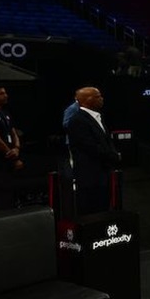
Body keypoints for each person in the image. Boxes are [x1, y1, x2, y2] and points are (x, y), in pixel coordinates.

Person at [66, 86, 121, 216]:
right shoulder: (77, 120)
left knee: (103, 209)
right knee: (91, 212)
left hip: (103, 173)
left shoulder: (97, 117)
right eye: (98, 96)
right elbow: (91, 147)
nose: (101, 99)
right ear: (86, 100)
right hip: (90, 178)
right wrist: (113, 156)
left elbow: (106, 141)